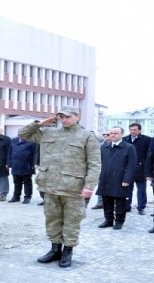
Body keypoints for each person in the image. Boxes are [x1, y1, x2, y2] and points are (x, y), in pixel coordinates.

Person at [19, 105, 101, 268]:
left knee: (72, 221)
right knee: (52, 219)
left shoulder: (87, 136)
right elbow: (23, 134)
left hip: (74, 188)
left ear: (78, 117)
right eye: (61, 117)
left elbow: (94, 163)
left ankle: (67, 251)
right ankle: (55, 249)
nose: (64, 120)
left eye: (68, 117)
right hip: (50, 185)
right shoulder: (48, 133)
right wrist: (40, 123)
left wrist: (89, 186)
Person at [96, 127, 137, 230]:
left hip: (120, 179)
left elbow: (131, 165)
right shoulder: (104, 147)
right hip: (106, 178)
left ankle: (119, 221)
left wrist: (127, 180)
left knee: (120, 201)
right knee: (106, 200)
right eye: (111, 133)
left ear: (121, 134)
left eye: (116, 133)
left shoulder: (129, 147)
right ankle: (108, 220)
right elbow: (100, 163)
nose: (113, 135)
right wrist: (99, 177)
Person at [123, 123, 152, 215]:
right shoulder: (125, 140)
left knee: (141, 190)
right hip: (128, 169)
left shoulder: (147, 140)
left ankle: (141, 207)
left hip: (141, 169)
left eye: (134, 130)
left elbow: (149, 155)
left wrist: (148, 169)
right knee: (127, 189)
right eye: (131, 129)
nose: (132, 131)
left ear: (140, 130)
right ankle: (127, 206)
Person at [7, 134, 36, 204]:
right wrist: (9, 163)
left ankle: (27, 197)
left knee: (27, 182)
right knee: (16, 182)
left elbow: (34, 153)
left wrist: (33, 164)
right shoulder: (13, 140)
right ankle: (16, 196)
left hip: (27, 164)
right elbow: (10, 152)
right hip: (15, 164)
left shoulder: (31, 140)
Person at [91, 131, 113, 209]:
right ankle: (100, 203)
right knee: (101, 186)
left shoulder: (115, 145)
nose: (106, 136)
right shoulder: (100, 146)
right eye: (104, 134)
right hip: (101, 169)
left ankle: (112, 204)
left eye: (108, 134)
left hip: (113, 170)